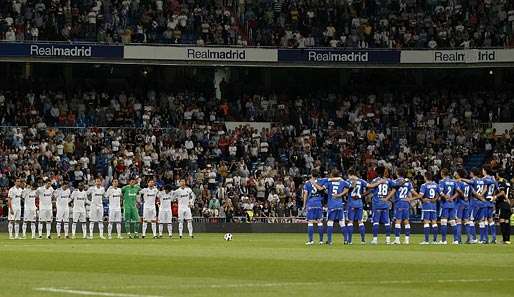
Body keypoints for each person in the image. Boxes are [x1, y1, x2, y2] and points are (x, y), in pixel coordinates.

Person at [316, 169, 350, 245]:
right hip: (340, 205)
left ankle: (330, 241)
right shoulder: (342, 182)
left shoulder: (329, 182)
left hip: (332, 205)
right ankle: (346, 240)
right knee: (342, 223)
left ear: (332, 175)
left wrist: (315, 184)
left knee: (330, 222)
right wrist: (340, 194)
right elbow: (349, 186)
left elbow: (321, 188)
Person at [369, 166, 396, 245]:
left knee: (376, 222)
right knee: (387, 222)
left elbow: (371, 189)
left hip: (377, 203)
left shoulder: (375, 180)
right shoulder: (388, 181)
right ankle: (388, 240)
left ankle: (375, 239)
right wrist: (387, 198)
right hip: (385, 204)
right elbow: (395, 188)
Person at [392, 168, 415, 245]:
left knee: (398, 221)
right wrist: (411, 199)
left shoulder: (395, 181)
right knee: (406, 221)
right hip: (406, 203)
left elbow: (392, 190)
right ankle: (407, 240)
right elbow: (412, 192)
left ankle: (397, 240)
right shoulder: (409, 183)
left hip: (399, 202)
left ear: (397, 173)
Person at [346, 169, 368, 244]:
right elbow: (370, 187)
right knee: (360, 221)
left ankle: (350, 241)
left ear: (350, 174)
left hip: (351, 203)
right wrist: (362, 195)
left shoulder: (348, 181)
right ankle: (363, 240)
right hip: (359, 204)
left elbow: (346, 191)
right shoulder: (361, 181)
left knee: (350, 221)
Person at [303, 169, 324, 245]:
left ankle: (311, 241)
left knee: (310, 222)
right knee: (319, 222)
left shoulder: (307, 183)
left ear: (311, 174)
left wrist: (304, 205)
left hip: (311, 203)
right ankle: (321, 241)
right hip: (318, 203)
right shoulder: (320, 181)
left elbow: (305, 194)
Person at [438, 168, 459, 244]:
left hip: (445, 204)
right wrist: (452, 198)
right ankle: (456, 240)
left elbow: (440, 191)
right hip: (452, 204)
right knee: (453, 221)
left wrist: (446, 197)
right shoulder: (453, 181)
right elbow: (458, 192)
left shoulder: (442, 181)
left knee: (443, 221)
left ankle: (444, 240)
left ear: (442, 173)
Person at [455, 169, 476, 243]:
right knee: (467, 221)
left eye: (456, 173)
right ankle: (470, 239)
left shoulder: (459, 183)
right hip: (467, 203)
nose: (455, 175)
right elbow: (472, 193)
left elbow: (458, 192)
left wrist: (463, 196)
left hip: (460, 203)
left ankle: (458, 240)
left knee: (458, 221)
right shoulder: (468, 183)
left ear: (459, 174)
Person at [418, 172, 440, 244]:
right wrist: (435, 199)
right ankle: (435, 240)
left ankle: (426, 240)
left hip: (426, 206)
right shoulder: (436, 185)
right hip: (433, 206)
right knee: (434, 222)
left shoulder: (424, 185)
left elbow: (420, 196)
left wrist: (422, 200)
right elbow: (439, 194)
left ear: (426, 177)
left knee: (426, 222)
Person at [482, 165, 499, 243]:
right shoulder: (493, 179)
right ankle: (494, 238)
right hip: (491, 201)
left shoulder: (485, 179)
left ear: (485, 170)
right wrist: (494, 197)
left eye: (483, 170)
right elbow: (497, 189)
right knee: (491, 220)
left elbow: (485, 189)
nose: (482, 171)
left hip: (485, 201)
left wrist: (479, 195)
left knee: (485, 219)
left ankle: (486, 239)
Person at [496, 172, 511, 244]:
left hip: (503, 203)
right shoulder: (508, 182)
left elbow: (502, 192)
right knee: (507, 221)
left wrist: (495, 196)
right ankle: (507, 239)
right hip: (508, 204)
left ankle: (504, 240)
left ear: (498, 175)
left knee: (502, 221)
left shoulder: (501, 182)